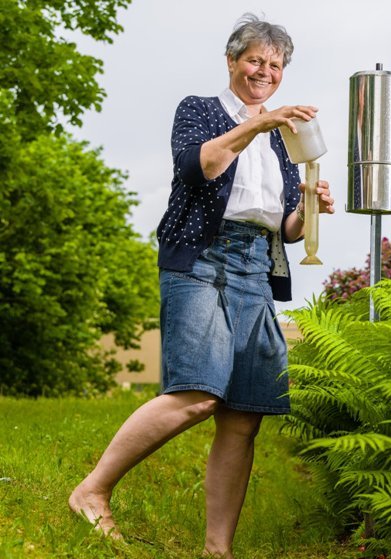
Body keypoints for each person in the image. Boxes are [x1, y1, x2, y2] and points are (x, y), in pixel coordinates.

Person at [69, 13, 334, 558]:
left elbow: (284, 222)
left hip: (258, 267)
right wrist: (258, 124)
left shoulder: (287, 140)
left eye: (275, 64)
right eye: (255, 60)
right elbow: (200, 169)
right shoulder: (201, 111)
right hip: (202, 260)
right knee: (196, 395)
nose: (264, 71)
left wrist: (310, 208)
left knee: (243, 415)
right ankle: (91, 492)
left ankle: (219, 550)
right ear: (233, 61)